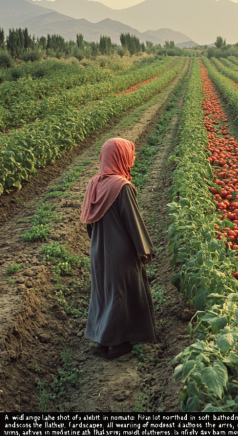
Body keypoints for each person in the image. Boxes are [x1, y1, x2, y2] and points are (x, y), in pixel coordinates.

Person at [80, 137, 156, 360]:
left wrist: (98, 245)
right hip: (120, 252)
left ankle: (101, 342)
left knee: (103, 293)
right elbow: (133, 221)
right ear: (121, 156)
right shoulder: (121, 187)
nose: (132, 158)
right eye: (129, 154)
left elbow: (89, 223)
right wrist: (144, 249)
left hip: (98, 252)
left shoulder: (94, 184)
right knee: (120, 294)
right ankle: (117, 344)